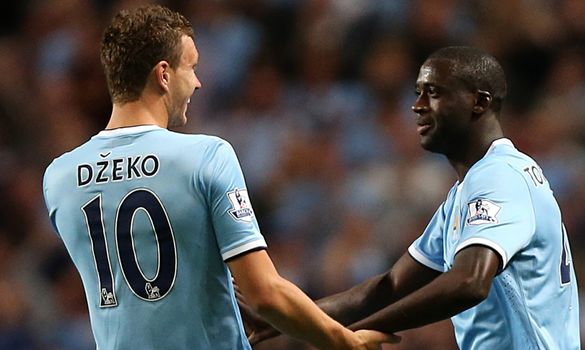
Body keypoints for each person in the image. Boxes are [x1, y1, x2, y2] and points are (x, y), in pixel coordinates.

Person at [41, 5, 399, 350]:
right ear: (163, 75)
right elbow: (265, 293)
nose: (197, 83)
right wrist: (344, 341)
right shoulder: (206, 157)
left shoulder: (58, 178)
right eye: (191, 67)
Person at [247, 46, 581, 349]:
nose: (417, 106)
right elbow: (389, 286)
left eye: (433, 92)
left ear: (479, 102)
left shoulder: (501, 176)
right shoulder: (464, 194)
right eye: (418, 93)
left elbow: (469, 281)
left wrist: (359, 332)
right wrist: (287, 316)